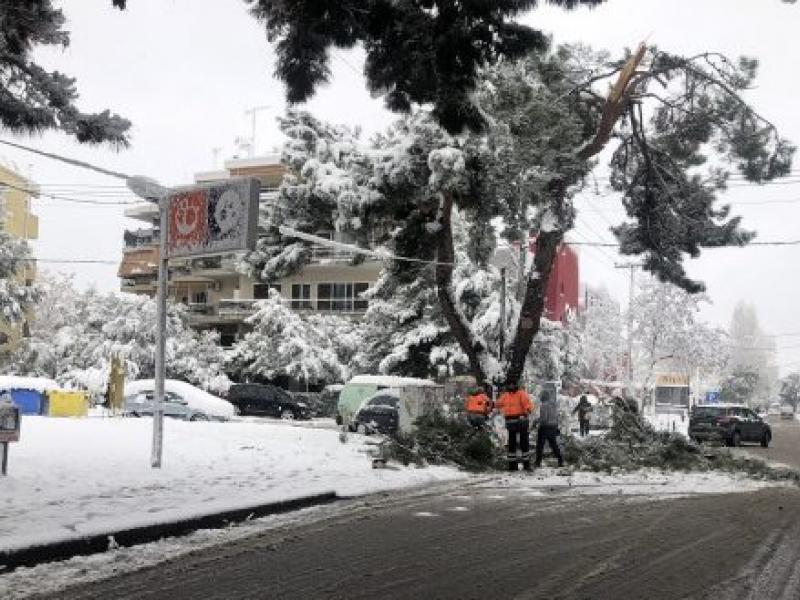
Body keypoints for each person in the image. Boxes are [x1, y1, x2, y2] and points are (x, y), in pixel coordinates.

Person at [496, 382, 533, 471]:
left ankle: (526, 465)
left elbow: (527, 403)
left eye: (512, 384)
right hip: (511, 421)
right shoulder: (505, 395)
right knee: (511, 443)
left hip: (521, 420)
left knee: (524, 443)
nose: (510, 386)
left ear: (516, 385)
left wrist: (528, 409)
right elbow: (498, 404)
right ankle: (512, 466)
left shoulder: (521, 393)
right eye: (509, 384)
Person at [535, 389, 564, 468]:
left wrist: (536, 421)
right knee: (554, 445)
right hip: (553, 427)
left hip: (545, 428)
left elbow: (544, 419)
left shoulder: (543, 406)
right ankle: (560, 461)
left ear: (543, 397)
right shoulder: (553, 405)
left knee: (540, 446)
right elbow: (557, 417)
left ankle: (538, 462)